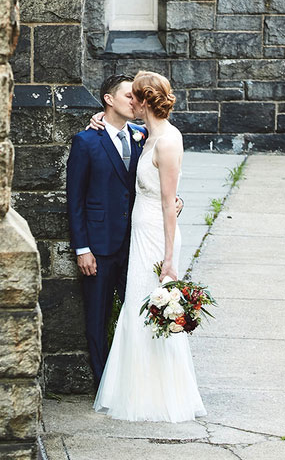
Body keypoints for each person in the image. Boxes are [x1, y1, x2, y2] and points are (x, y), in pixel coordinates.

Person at [93, 70, 206, 422]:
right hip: (141, 234)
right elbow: (120, 131)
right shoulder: (148, 135)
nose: (130, 102)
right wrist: (97, 117)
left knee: (153, 310)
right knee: (136, 313)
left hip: (158, 238)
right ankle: (135, 390)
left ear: (145, 102)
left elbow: (169, 204)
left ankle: (160, 397)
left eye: (134, 97)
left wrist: (169, 259)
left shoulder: (168, 141)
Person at [66, 74, 183, 387]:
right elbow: (74, 200)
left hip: (137, 243)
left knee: (136, 313)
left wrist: (176, 200)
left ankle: (137, 382)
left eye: (138, 97)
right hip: (99, 247)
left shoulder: (143, 136)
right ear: (108, 99)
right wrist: (82, 249)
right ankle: (105, 385)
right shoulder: (86, 140)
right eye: (129, 96)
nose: (136, 102)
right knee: (98, 317)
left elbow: (159, 180)